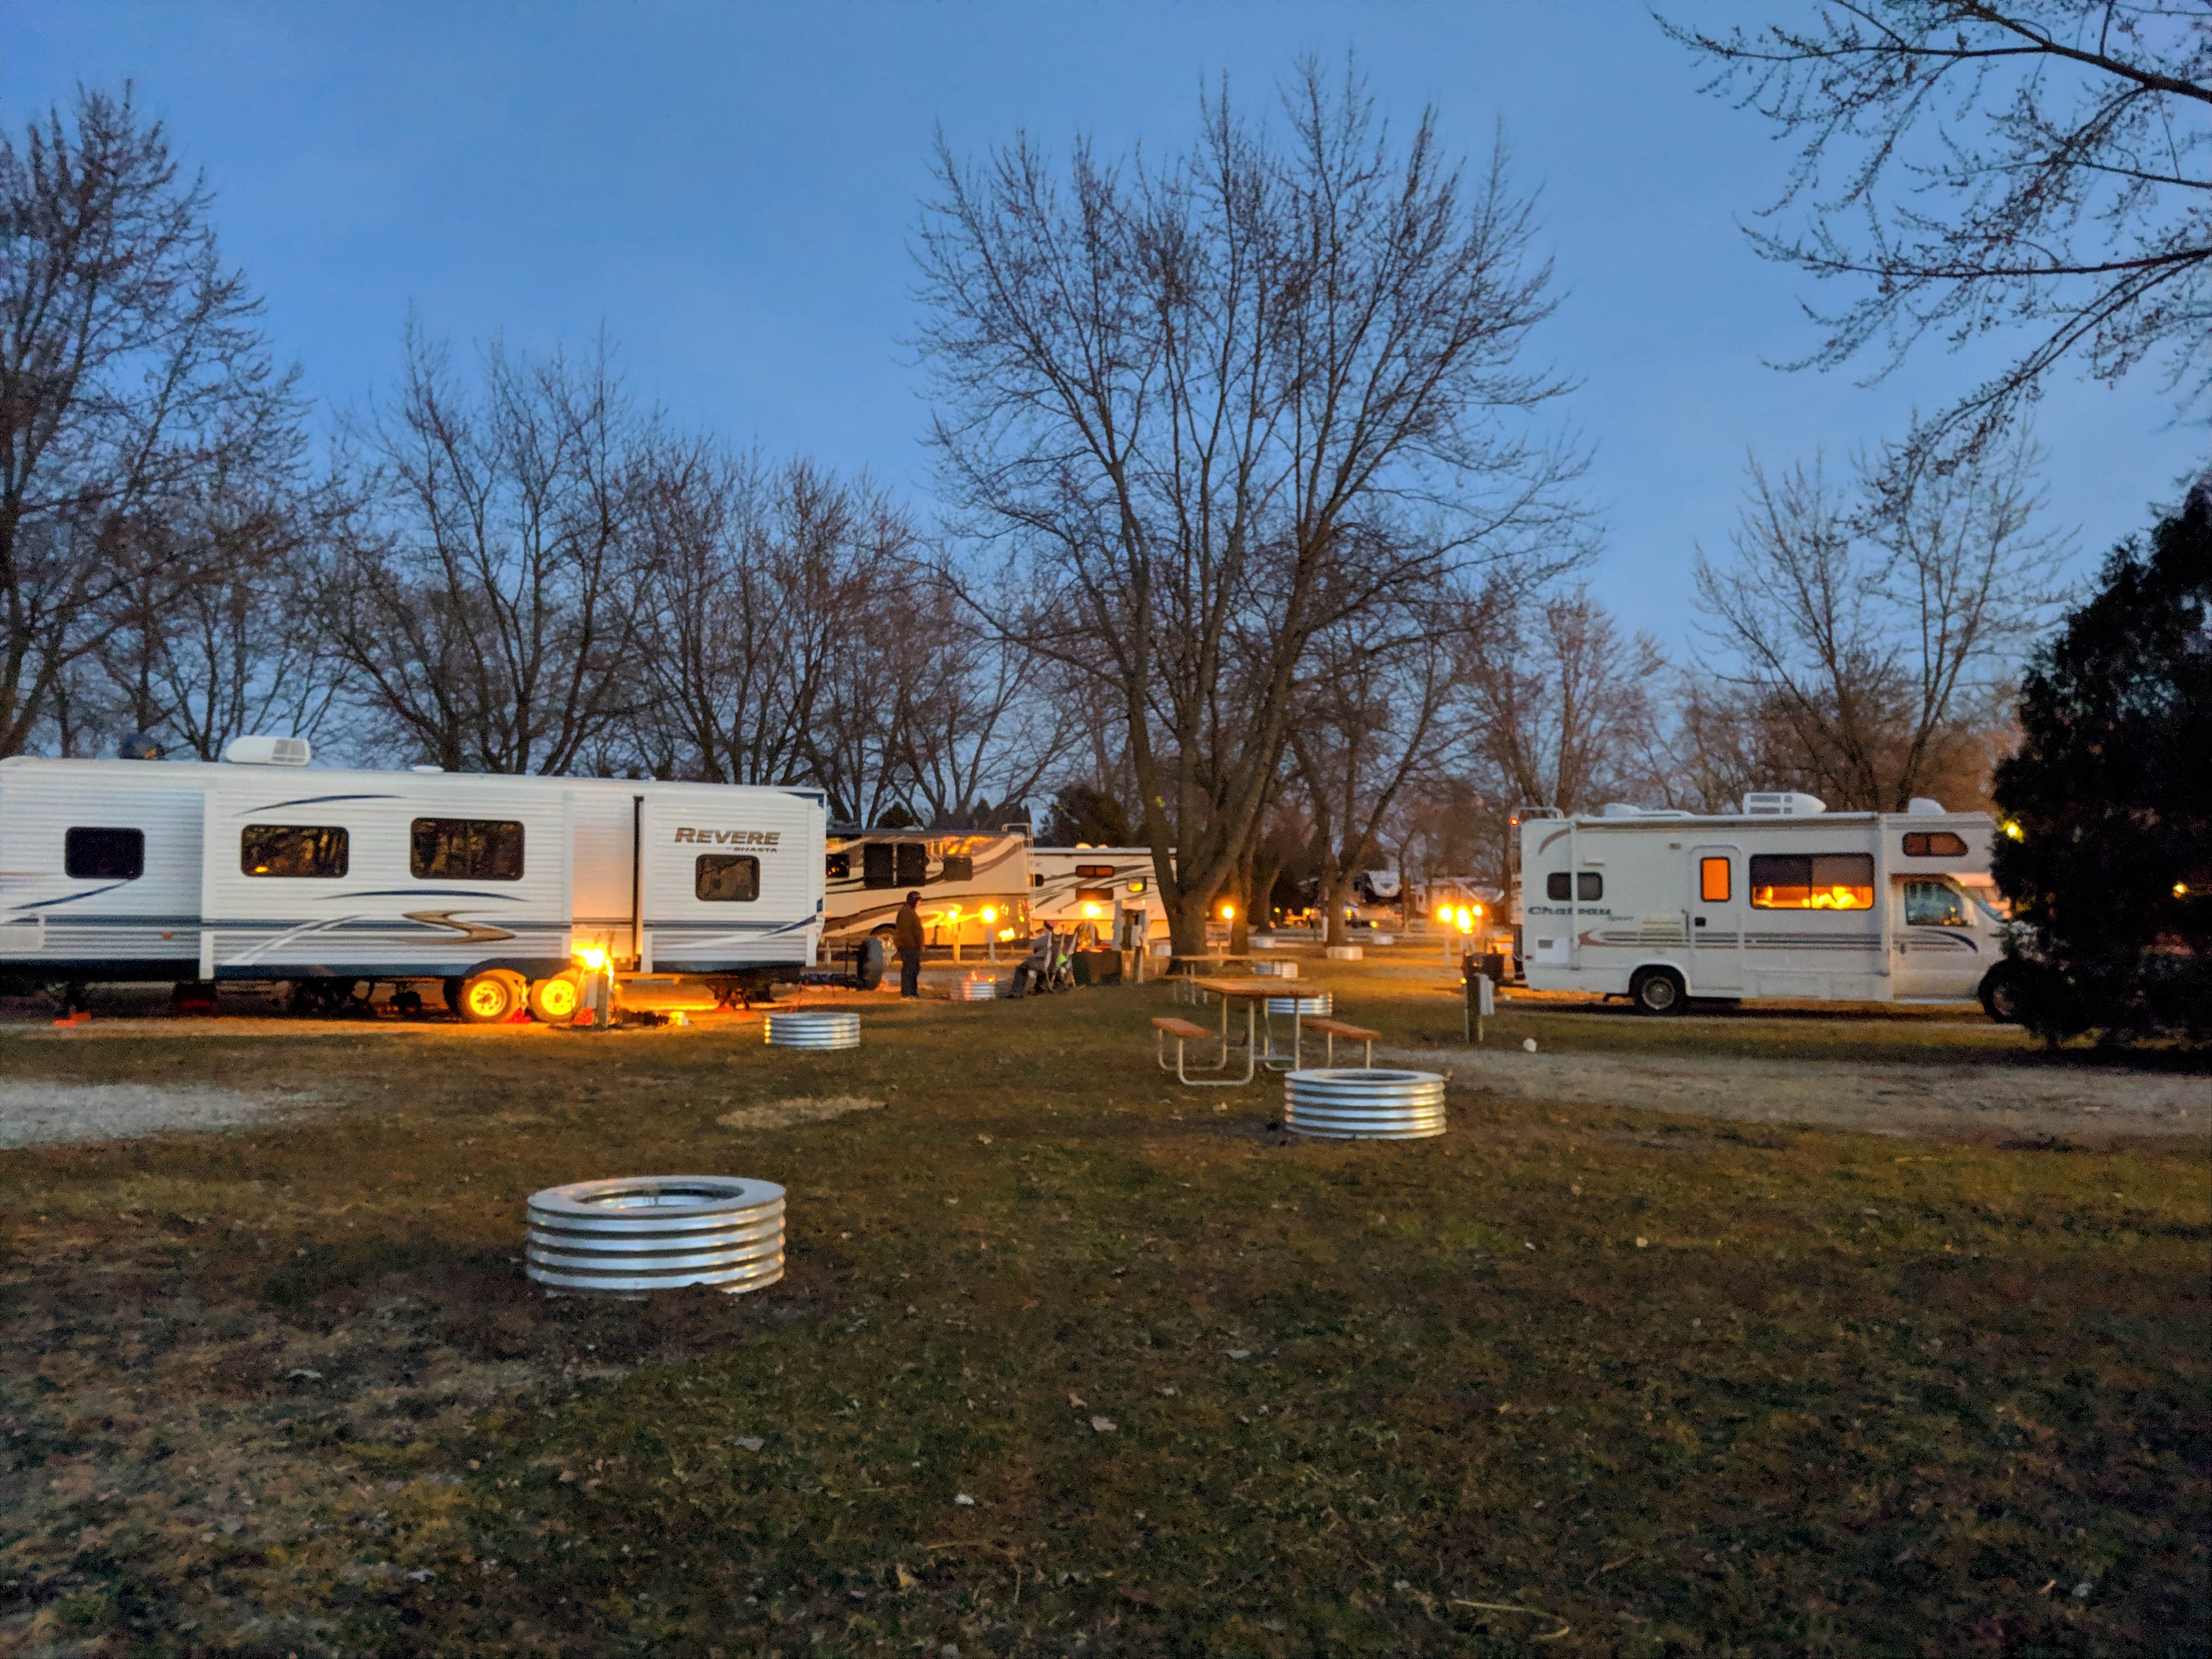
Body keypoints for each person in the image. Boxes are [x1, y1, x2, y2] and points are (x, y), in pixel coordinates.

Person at [1008, 919, 1058, 998]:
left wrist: (1037, 936)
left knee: (1021, 968)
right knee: (1024, 966)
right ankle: (1019, 992)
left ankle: (1017, 992)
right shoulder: (1054, 938)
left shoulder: (1046, 938)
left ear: (1045, 927)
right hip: (1050, 964)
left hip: (1044, 964)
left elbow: (1032, 945)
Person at [893, 890, 926, 998]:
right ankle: (907, 993)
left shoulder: (910, 912)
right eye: (918, 901)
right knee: (909, 970)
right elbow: (905, 932)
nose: (920, 904)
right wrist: (913, 945)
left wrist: (919, 945)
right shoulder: (905, 913)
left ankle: (913, 992)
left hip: (913, 946)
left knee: (914, 969)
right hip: (909, 947)